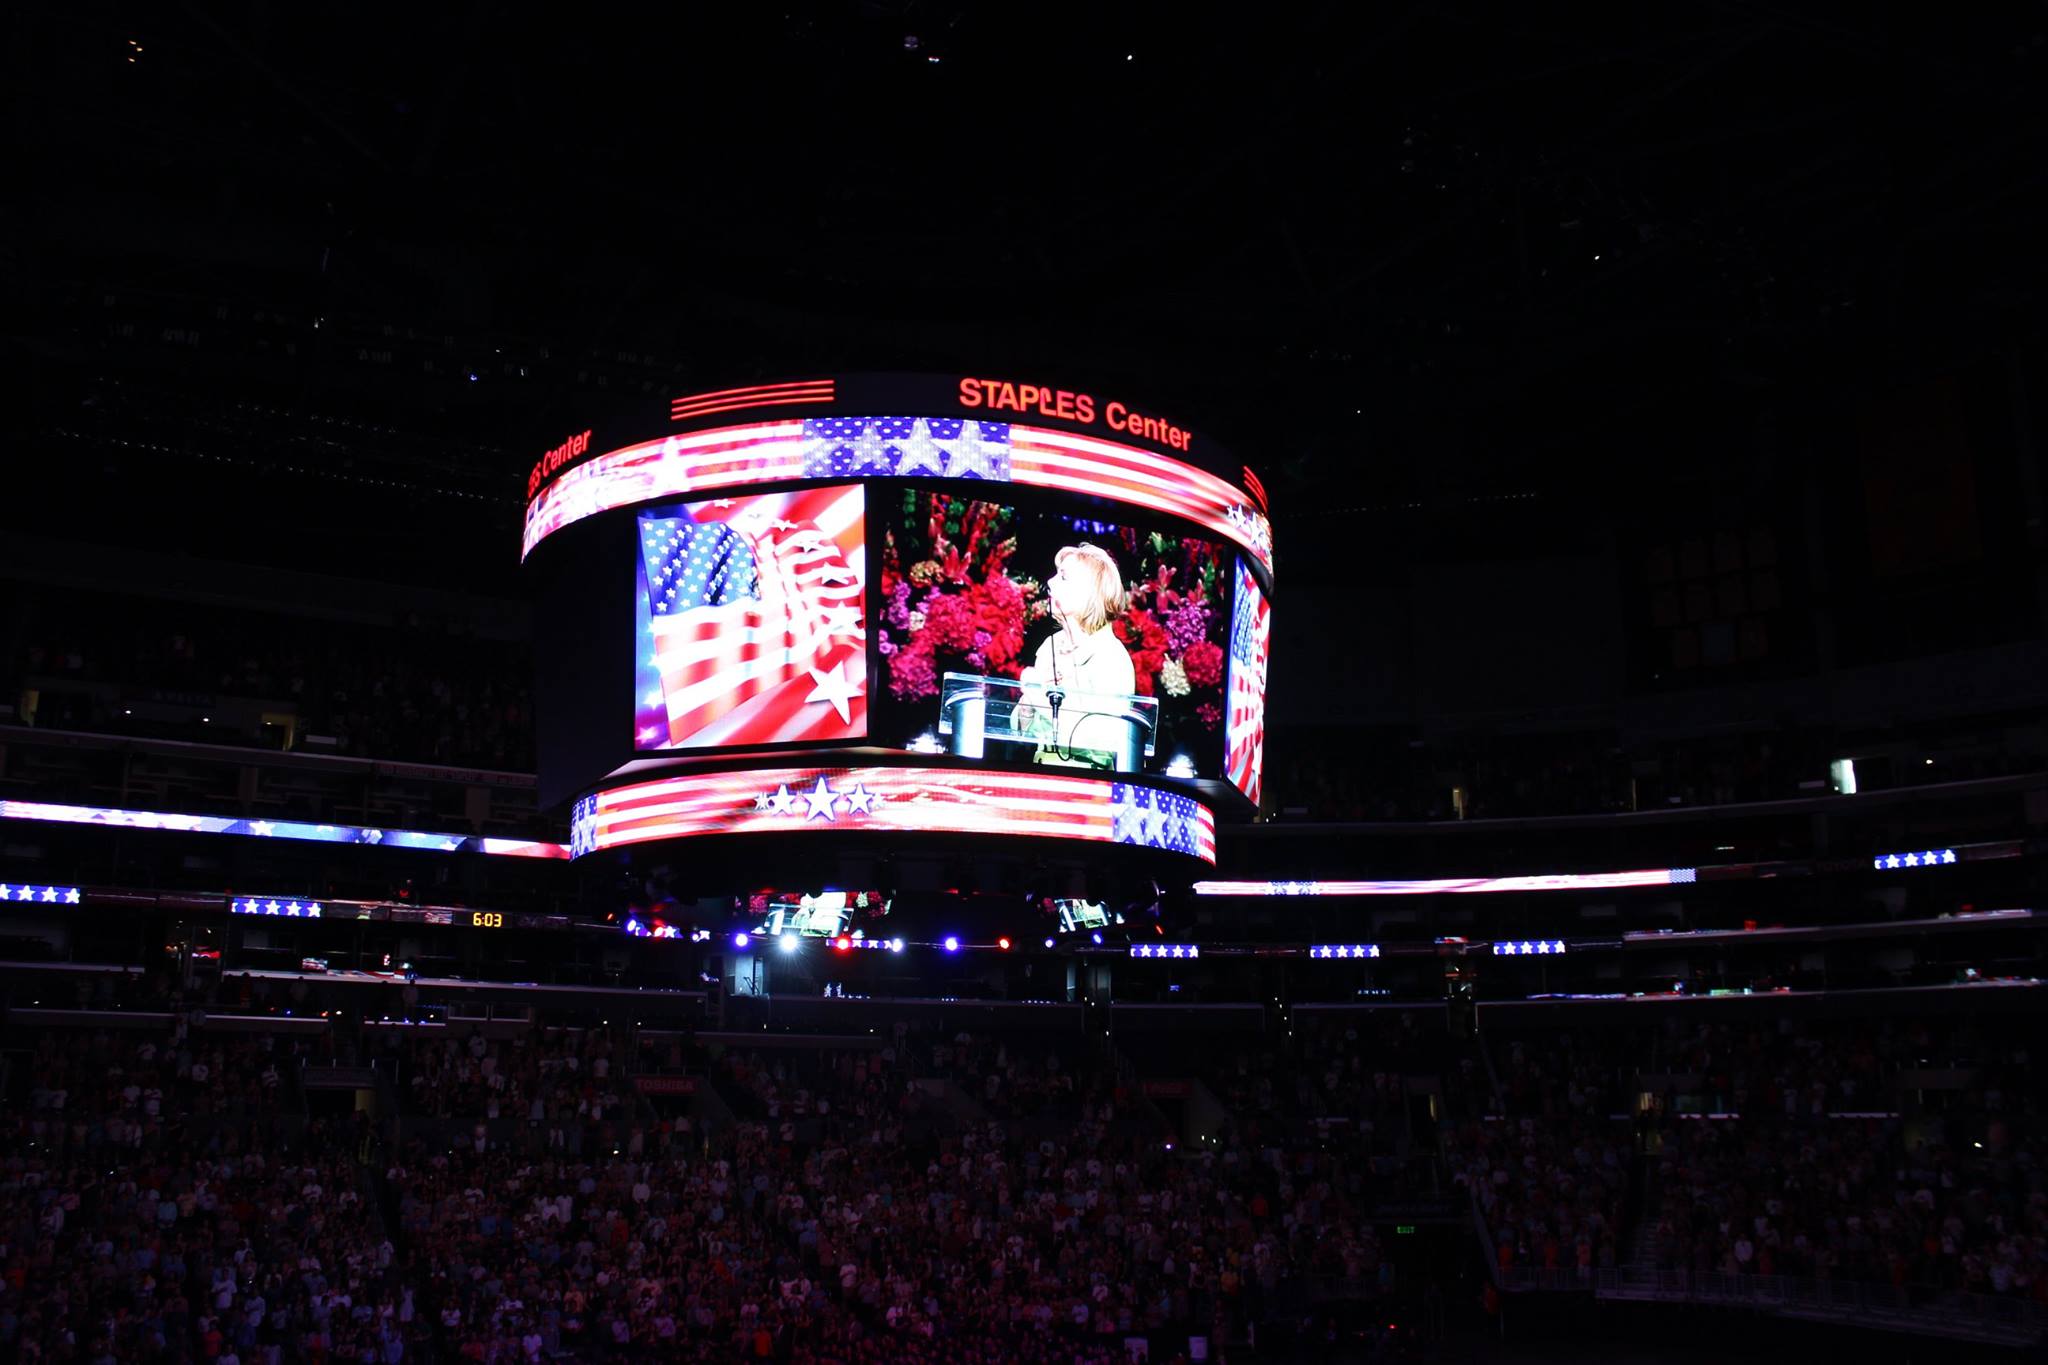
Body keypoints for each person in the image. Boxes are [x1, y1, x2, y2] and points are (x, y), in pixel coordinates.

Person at [1016, 544, 1137, 768]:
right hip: (1039, 777)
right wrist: (1026, 708)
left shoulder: (1112, 657)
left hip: (1090, 786)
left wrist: (1039, 697)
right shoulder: (1049, 646)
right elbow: (1025, 732)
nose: (1050, 582)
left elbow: (1104, 741)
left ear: (1088, 592)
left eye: (1063, 577)